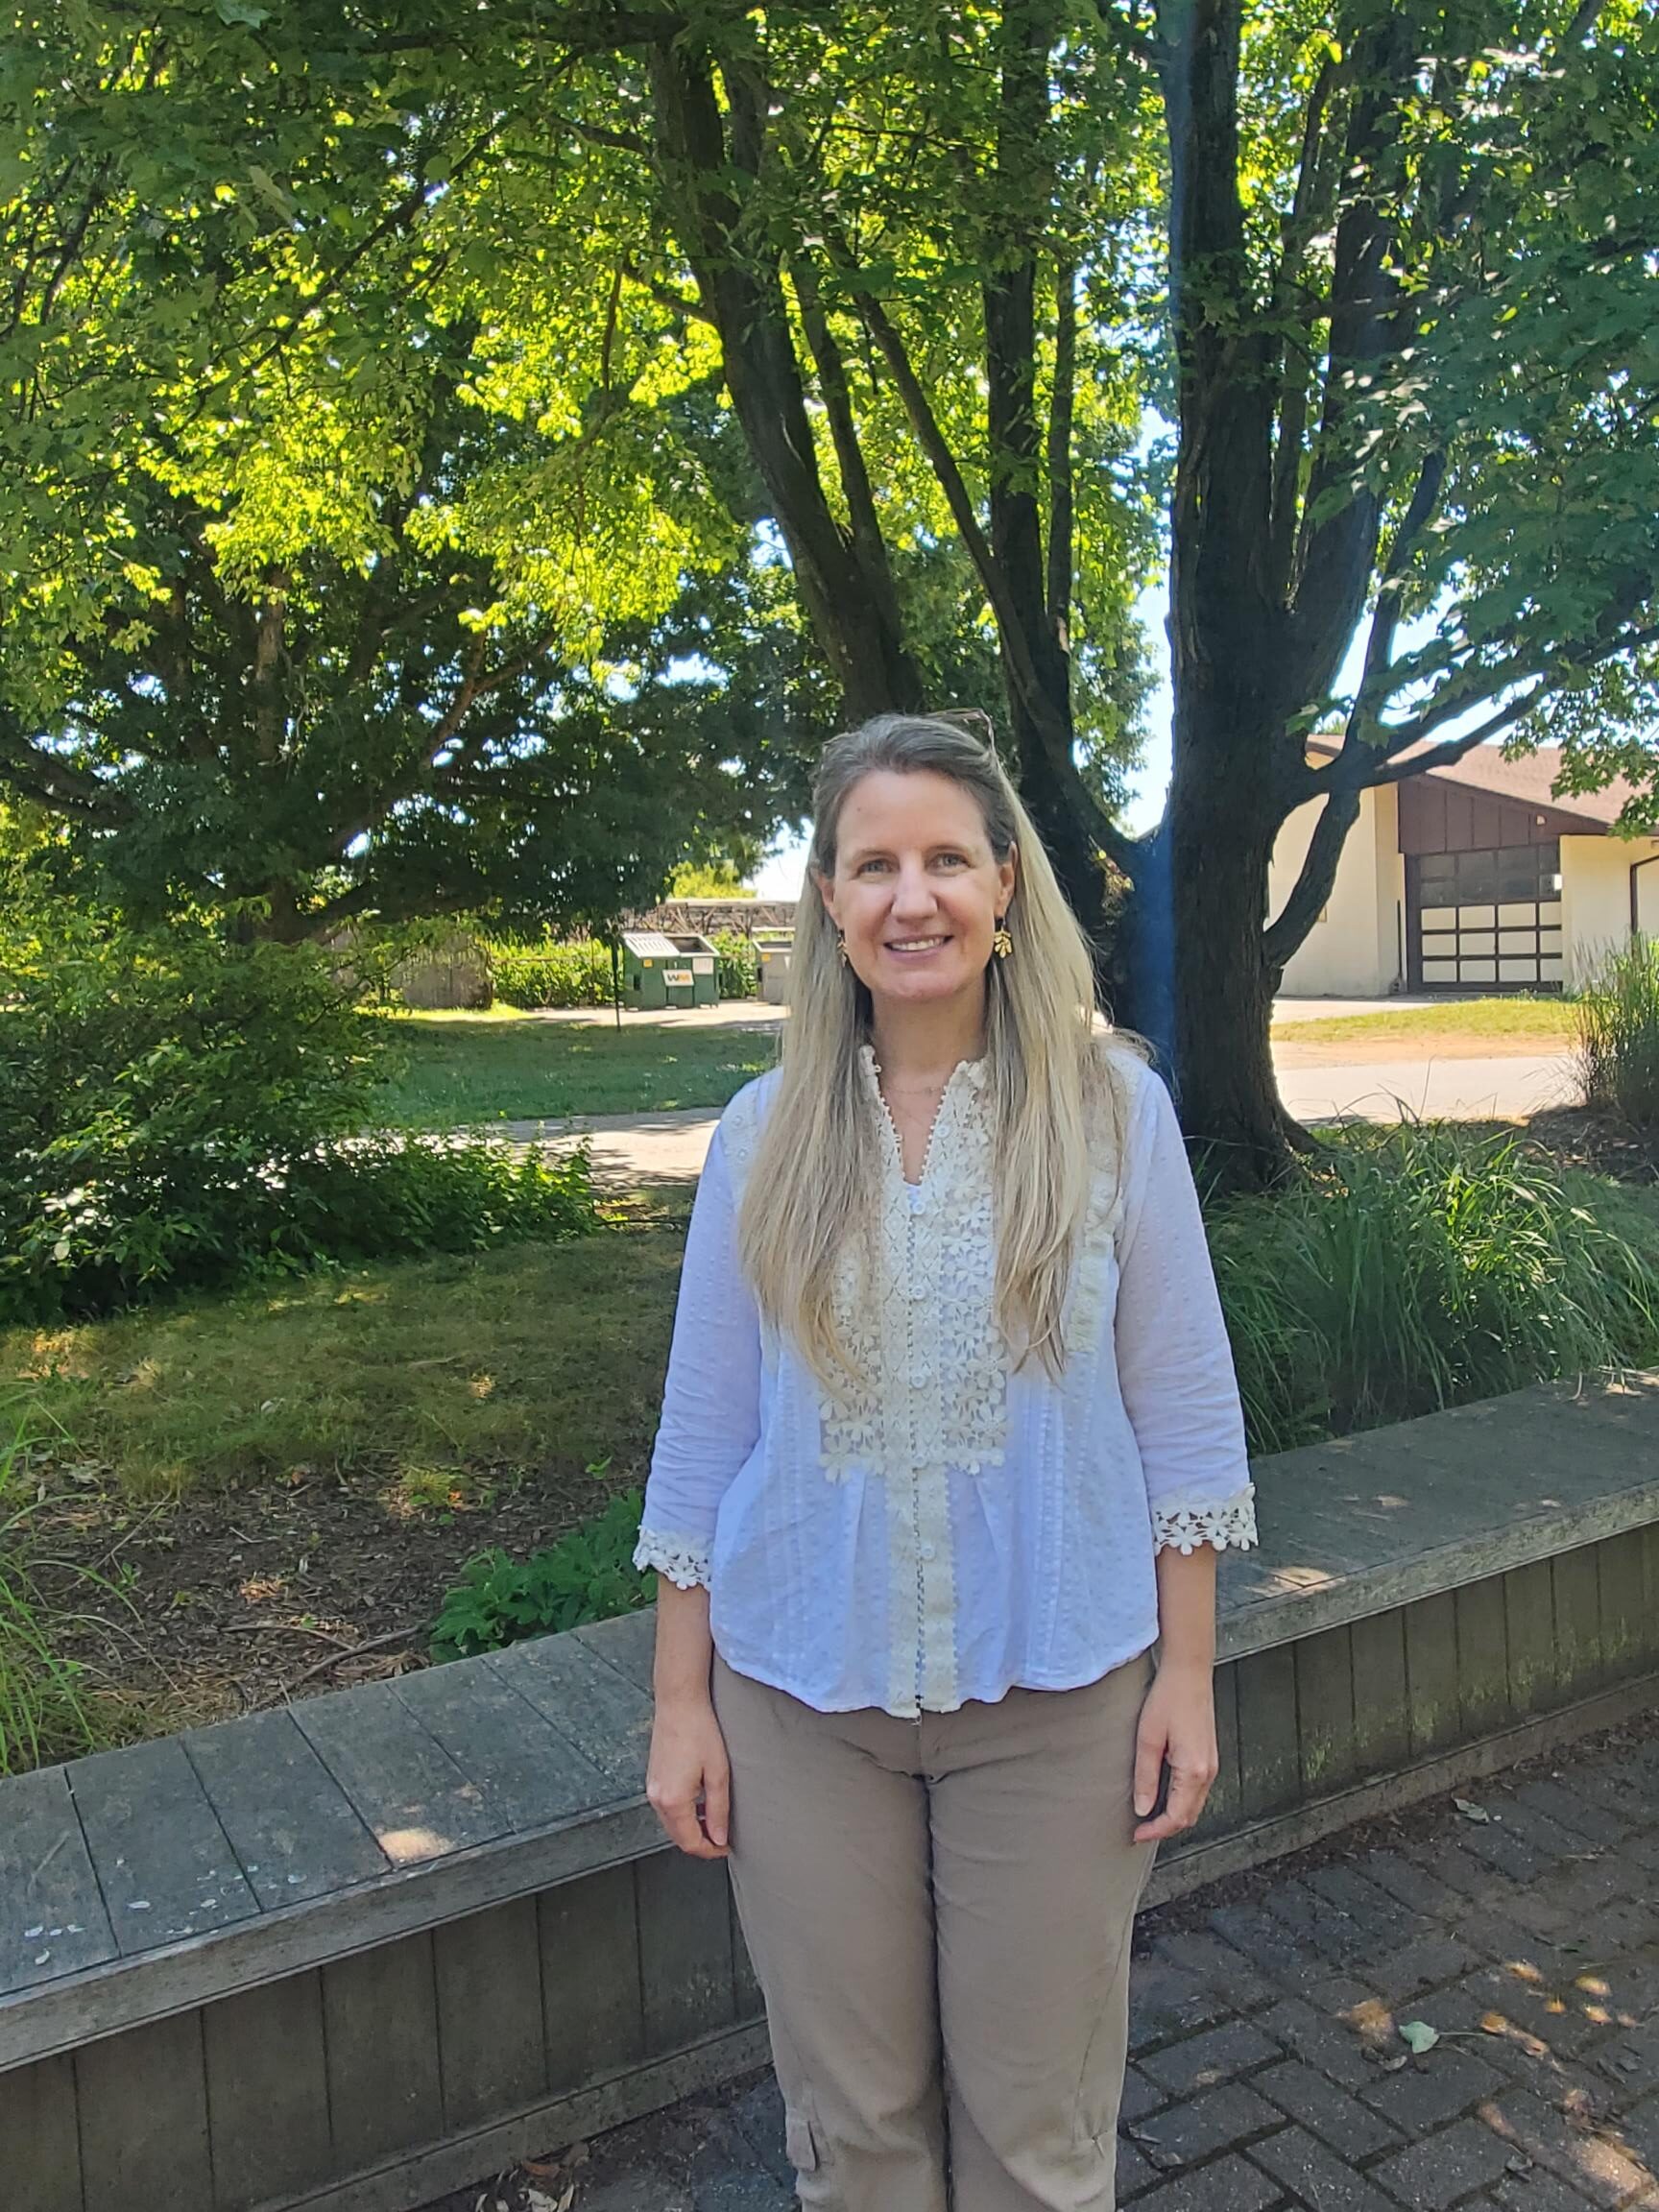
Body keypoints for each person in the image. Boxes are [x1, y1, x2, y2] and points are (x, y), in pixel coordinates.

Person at [633, 712, 1259, 2212]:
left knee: (1037, 2145)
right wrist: (678, 1704)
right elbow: (707, 1432)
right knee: (856, 2143)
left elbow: (1181, 1412)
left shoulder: (1114, 1114)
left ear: (1005, 892)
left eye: (945, 860)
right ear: (831, 907)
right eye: (873, 865)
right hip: (798, 1705)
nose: (911, 897)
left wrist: (1186, 1676)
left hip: (1060, 1697)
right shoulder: (762, 1134)